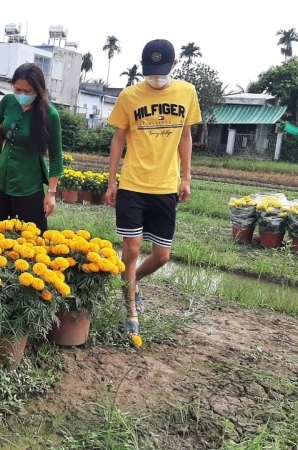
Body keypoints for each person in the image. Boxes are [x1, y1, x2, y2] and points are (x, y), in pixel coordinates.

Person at [104, 39, 202, 346]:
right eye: (150, 71)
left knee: (161, 256)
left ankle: (131, 285)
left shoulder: (187, 92)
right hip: (133, 184)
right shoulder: (129, 96)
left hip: (165, 186)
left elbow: (186, 136)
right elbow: (118, 140)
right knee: (130, 252)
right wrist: (111, 182)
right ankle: (131, 314)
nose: (155, 77)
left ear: (174, 66)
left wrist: (186, 177)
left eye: (161, 71)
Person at [0, 63, 63, 232]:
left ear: (38, 89)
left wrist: (51, 193)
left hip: (28, 186)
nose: (21, 95)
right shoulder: (7, 102)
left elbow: (56, 156)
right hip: (1, 182)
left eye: (27, 91)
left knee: (32, 240)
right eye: (17, 90)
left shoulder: (50, 115)